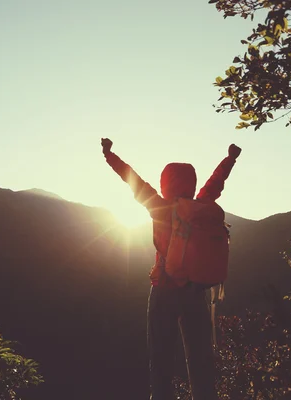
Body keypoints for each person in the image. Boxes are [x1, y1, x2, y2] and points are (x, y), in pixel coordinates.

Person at [100, 138, 241, 400]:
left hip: (164, 289)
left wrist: (109, 155)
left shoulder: (159, 206)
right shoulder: (201, 205)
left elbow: (131, 178)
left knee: (161, 360)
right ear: (192, 183)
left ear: (165, 183)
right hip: (196, 291)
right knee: (200, 362)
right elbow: (216, 183)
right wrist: (230, 158)